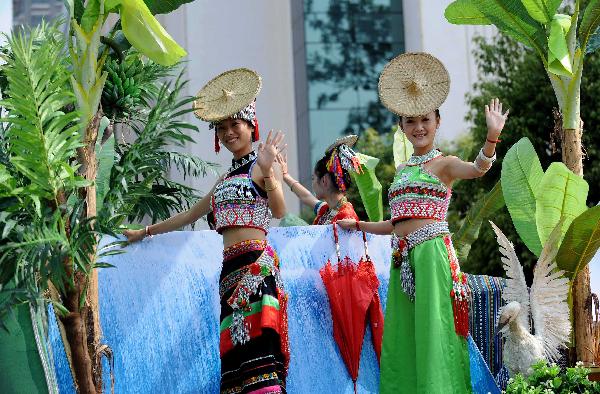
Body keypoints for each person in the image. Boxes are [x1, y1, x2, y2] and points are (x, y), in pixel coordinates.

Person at [338, 53, 509, 393]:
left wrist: (491, 138)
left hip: (432, 256)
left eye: (425, 120)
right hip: (403, 260)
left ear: (437, 121)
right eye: (411, 121)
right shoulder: (402, 173)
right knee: (403, 338)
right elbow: (394, 223)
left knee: (435, 332)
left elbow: (478, 170)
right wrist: (358, 227)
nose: (419, 127)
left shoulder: (445, 164)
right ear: (402, 127)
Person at [124, 68, 290, 393]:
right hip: (229, 272)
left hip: (256, 269)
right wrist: (144, 232)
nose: (229, 132)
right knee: (236, 358)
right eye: (222, 127)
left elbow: (281, 210)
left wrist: (270, 171)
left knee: (260, 352)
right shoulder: (225, 180)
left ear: (250, 125)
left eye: (235, 125)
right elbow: (189, 215)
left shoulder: (262, 166)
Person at [277, 136, 361, 225]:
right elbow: (306, 196)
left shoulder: (347, 217)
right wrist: (285, 175)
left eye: (313, 178)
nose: (312, 183)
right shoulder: (327, 210)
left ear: (324, 181)